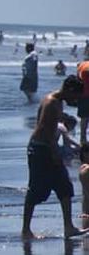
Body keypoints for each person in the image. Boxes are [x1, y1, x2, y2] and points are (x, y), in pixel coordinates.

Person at [22, 76, 87, 240]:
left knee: (64, 186)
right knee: (35, 190)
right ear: (69, 90)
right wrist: (54, 153)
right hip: (41, 149)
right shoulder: (52, 103)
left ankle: (68, 227)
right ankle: (25, 230)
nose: (75, 101)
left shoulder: (55, 101)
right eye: (75, 96)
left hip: (44, 147)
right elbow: (46, 130)